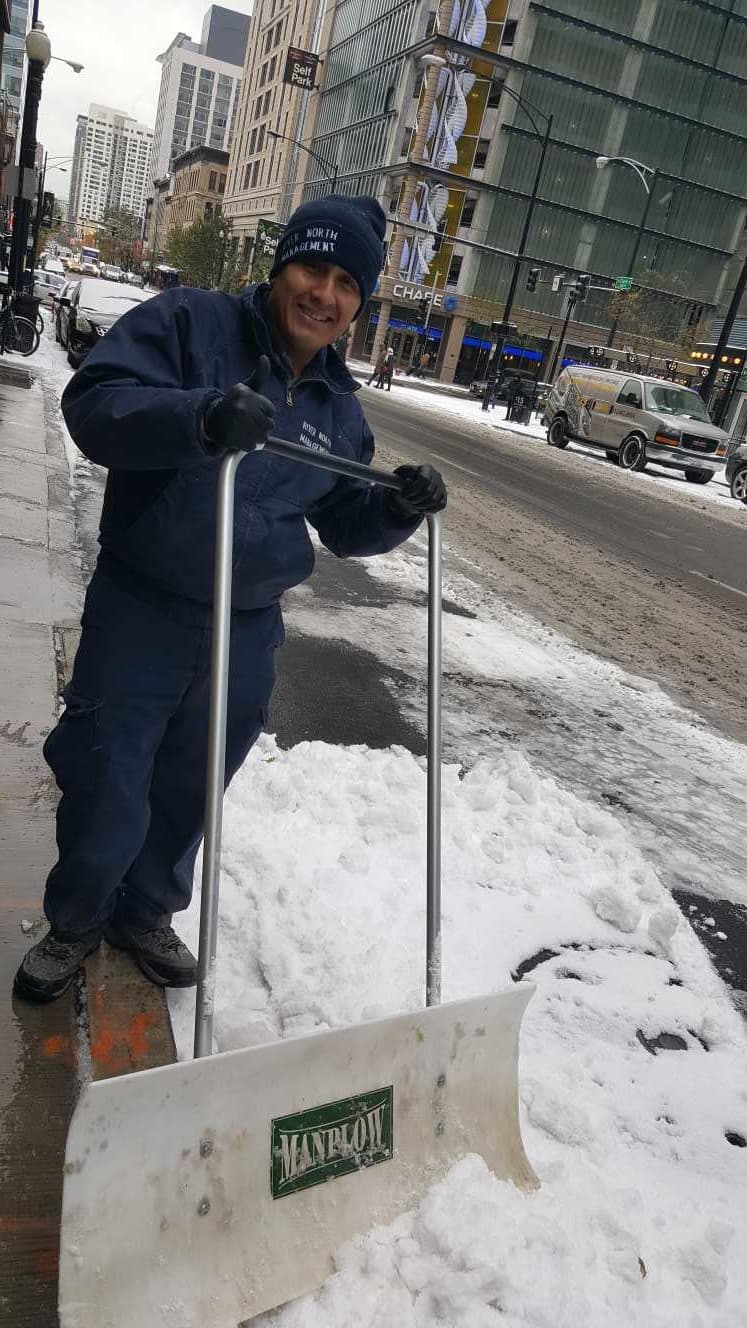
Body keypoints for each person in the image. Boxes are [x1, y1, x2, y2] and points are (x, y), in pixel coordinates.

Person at [14, 194, 446, 1003]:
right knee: (108, 772)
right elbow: (95, 405)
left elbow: (345, 524)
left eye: (347, 283)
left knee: (191, 780)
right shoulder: (189, 325)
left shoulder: (337, 413)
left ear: (358, 304)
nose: (325, 293)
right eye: (313, 269)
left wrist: (394, 507)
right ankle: (77, 918)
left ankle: (144, 910)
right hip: (145, 603)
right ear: (280, 267)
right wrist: (200, 417)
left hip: (246, 629)